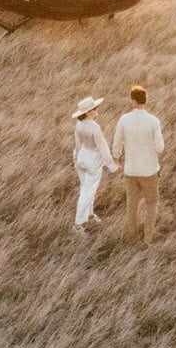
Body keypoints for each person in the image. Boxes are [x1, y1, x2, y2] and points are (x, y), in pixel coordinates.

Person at [111, 84, 165, 242]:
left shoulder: (124, 119)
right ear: (145, 101)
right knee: (152, 203)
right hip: (149, 171)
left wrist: (116, 158)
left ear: (133, 101)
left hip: (131, 170)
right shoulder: (153, 121)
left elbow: (116, 143)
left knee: (131, 205)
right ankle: (148, 238)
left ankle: (131, 237)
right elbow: (160, 148)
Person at [71, 96, 117, 232]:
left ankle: (90, 214)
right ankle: (78, 224)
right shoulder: (94, 128)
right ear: (88, 112)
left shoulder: (79, 125)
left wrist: (76, 159)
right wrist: (112, 166)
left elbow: (78, 144)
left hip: (81, 158)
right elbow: (103, 148)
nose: (97, 109)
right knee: (87, 191)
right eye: (94, 108)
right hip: (92, 161)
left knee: (86, 188)